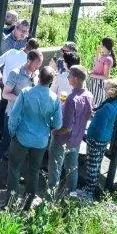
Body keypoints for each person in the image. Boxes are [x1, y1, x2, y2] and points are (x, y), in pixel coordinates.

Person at [6, 66, 62, 207]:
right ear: (51, 81)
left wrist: (12, 132)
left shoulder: (26, 92)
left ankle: (10, 203)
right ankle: (27, 203)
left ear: (38, 78)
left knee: (14, 169)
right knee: (34, 170)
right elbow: (58, 124)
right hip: (41, 141)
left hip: (22, 137)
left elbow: (14, 115)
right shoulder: (55, 99)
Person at [0, 49, 42, 187]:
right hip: (12, 115)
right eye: (37, 64)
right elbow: (5, 94)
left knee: (21, 146)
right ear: (28, 61)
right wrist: (21, 99)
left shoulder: (35, 74)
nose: (38, 67)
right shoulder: (15, 73)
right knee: (5, 143)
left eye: (40, 64)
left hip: (27, 117)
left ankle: (14, 177)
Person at [48, 65, 94, 199]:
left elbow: (67, 127)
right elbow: (89, 115)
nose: (67, 78)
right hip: (76, 140)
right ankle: (71, 195)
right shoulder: (89, 96)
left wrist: (55, 132)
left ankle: (51, 199)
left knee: (55, 170)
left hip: (63, 140)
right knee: (72, 169)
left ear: (74, 79)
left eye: (69, 76)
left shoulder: (71, 99)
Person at [82, 78, 117, 197]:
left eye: (105, 88)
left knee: (91, 166)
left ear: (111, 91)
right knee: (97, 164)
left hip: (96, 138)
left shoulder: (107, 107)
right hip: (105, 138)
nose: (104, 90)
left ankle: (88, 192)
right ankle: (92, 188)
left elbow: (98, 126)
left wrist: (89, 137)